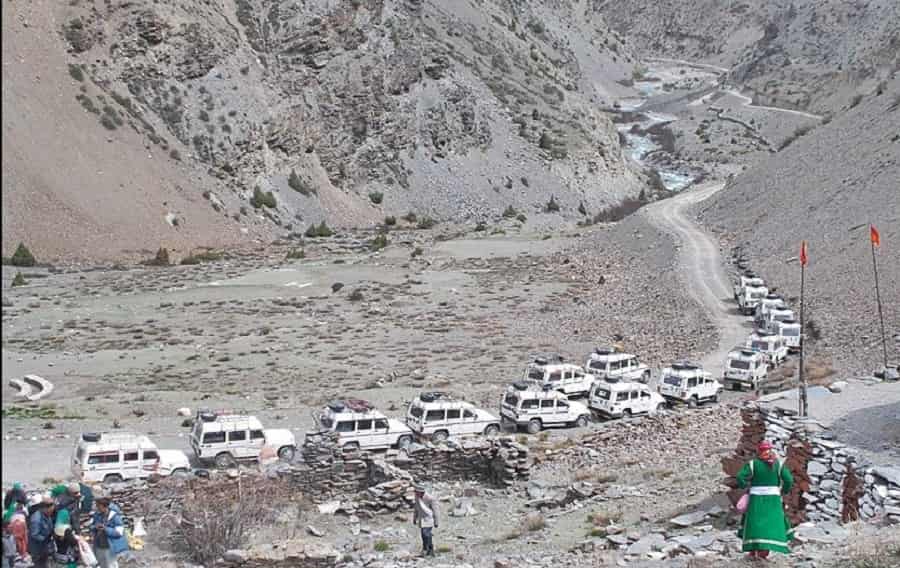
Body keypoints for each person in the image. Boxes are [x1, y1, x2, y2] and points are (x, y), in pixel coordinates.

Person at [736, 441, 794, 560]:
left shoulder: (753, 464)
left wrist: (744, 486)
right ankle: (764, 552)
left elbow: (740, 477)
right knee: (771, 523)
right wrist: (784, 491)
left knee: (755, 523)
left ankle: (753, 551)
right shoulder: (778, 465)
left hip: (756, 498)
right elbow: (788, 480)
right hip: (773, 499)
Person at [91, 495, 127, 568]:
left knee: (111, 565)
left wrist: (106, 529)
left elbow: (119, 532)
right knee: (102, 564)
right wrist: (95, 527)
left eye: (99, 506)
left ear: (105, 506)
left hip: (109, 546)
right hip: (99, 545)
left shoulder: (115, 517)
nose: (97, 508)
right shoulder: (97, 515)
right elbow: (91, 526)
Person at [27, 495, 54, 568]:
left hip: (44, 546)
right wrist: (46, 539)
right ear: (44, 508)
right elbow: (34, 534)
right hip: (37, 549)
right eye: (50, 511)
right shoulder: (36, 519)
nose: (51, 513)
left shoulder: (47, 515)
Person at [412, 483, 438, 557]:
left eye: (417, 492)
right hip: (422, 519)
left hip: (429, 518)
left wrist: (436, 521)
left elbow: (435, 510)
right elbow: (416, 508)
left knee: (426, 533)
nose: (416, 493)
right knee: (423, 535)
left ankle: (430, 549)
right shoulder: (417, 498)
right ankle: (426, 548)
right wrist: (414, 518)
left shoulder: (430, 498)